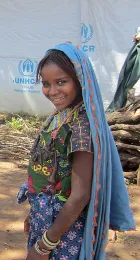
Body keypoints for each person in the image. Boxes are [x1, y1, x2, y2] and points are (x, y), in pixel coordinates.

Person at [17, 43, 136, 260]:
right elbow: (48, 173)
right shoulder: (60, 116)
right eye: (46, 83)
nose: (52, 91)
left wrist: (44, 246)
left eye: (61, 82)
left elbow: (80, 196)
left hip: (64, 232)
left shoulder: (81, 126)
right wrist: (34, 214)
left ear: (80, 80)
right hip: (48, 221)